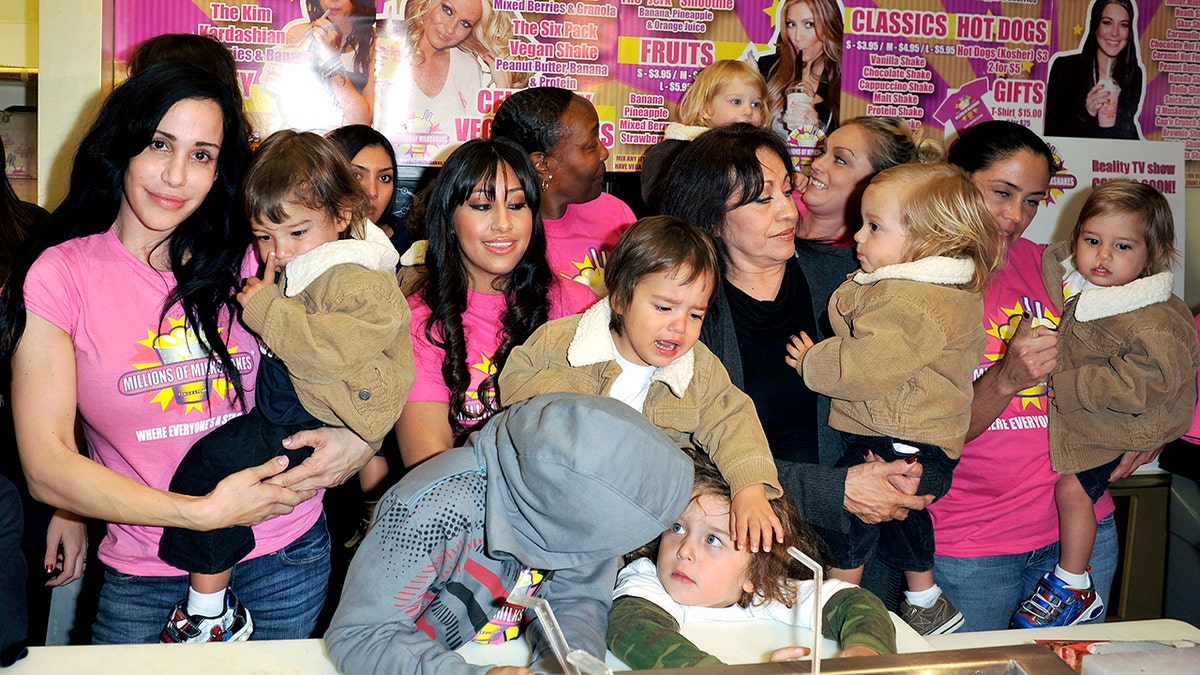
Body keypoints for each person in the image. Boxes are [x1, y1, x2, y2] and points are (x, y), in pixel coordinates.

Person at [0, 62, 374, 644]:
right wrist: (200, 514)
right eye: (159, 144)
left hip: (284, 555)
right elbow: (46, 467)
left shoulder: (261, 255)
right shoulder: (61, 276)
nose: (175, 176)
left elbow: (370, 349)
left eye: (202, 154)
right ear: (122, 145)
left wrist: (360, 439)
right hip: (146, 568)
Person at [154, 130, 412, 642]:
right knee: (214, 472)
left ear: (342, 215)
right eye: (266, 238)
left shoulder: (360, 277)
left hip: (310, 421)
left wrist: (267, 309)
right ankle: (210, 604)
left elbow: (327, 350)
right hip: (291, 412)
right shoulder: (314, 267)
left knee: (211, 466)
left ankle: (208, 611)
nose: (281, 250)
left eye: (296, 233)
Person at [657, 123, 936, 585]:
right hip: (734, 563)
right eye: (763, 199)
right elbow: (682, 455)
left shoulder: (851, 279)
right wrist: (834, 490)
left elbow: (919, 389)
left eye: (787, 189)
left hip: (868, 551)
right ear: (711, 217)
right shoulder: (683, 311)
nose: (789, 209)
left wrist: (909, 472)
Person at [326, 393, 695, 675]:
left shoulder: (586, 497)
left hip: (497, 654)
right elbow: (359, 635)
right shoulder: (430, 512)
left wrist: (565, 666)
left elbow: (577, 599)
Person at [784, 163, 1001, 635]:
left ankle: (839, 600)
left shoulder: (908, 300)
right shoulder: (939, 289)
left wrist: (812, 363)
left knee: (855, 512)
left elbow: (865, 369)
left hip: (898, 433)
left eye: (874, 227)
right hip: (920, 435)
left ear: (930, 239)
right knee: (902, 513)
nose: (857, 236)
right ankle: (924, 598)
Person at [932, 120, 1125, 632]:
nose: (1015, 216)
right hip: (970, 546)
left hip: (1079, 534)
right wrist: (1005, 378)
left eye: (1033, 201)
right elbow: (930, 435)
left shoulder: (1055, 270)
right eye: (1001, 192)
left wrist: (1151, 433)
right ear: (955, 177)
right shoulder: (918, 281)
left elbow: (1158, 336)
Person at [499, 216, 784, 552]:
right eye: (664, 307)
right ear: (619, 299)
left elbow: (732, 419)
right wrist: (576, 409)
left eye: (695, 314)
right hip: (552, 504)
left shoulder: (698, 370)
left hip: (644, 528)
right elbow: (517, 379)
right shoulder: (564, 342)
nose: (679, 326)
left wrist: (749, 488)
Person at [1009, 180, 1198, 628]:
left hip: (1120, 427)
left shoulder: (1151, 317)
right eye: (1091, 241)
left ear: (1151, 256)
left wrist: (1075, 387)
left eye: (1122, 246)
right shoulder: (1088, 281)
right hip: (1102, 422)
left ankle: (1073, 584)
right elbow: (1059, 263)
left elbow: (1151, 382)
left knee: (1073, 491)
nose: (1102, 257)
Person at [395, 138, 595, 468]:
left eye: (517, 205)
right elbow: (431, 468)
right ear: (451, 221)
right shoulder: (420, 324)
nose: (503, 223)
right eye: (482, 206)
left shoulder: (579, 308)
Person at [607, 451, 895, 668]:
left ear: (755, 575)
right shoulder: (646, 580)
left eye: (712, 540)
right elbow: (633, 629)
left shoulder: (767, 594)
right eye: (677, 527)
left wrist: (865, 653)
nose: (684, 550)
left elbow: (855, 603)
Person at [491, 87, 634, 297]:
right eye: (590, 146)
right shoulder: (504, 237)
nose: (604, 153)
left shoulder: (616, 215)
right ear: (543, 164)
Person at [374, 0, 518, 156]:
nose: (450, 29)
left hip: (448, 176)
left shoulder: (466, 66)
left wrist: (503, 87)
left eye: (464, 24)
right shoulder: (388, 50)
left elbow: (480, 144)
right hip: (391, 172)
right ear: (427, 3)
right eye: (447, 10)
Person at [640, 60, 769, 209]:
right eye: (736, 101)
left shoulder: (762, 153)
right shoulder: (673, 150)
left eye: (756, 104)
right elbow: (658, 197)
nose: (748, 111)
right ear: (705, 109)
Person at [1045, 0, 1143, 140]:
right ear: (1095, 26)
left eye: (1123, 25)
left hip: (1111, 159)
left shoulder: (1133, 74)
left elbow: (1127, 133)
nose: (1115, 33)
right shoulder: (1065, 68)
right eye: (1107, 22)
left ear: (1129, 32)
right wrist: (1087, 113)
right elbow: (1051, 131)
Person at [283, 0, 377, 126]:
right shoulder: (299, 34)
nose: (334, 0)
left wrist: (331, 60)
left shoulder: (373, 40)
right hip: (307, 136)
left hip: (348, 139)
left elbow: (363, 120)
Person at [758, 0, 843, 136]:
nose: (797, 37)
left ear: (829, 25)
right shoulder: (767, 67)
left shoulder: (847, 81)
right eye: (791, 24)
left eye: (809, 24)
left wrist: (817, 130)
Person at [327, 124, 403, 252]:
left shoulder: (415, 244)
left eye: (384, 178)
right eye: (356, 175)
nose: (372, 192)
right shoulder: (305, 244)